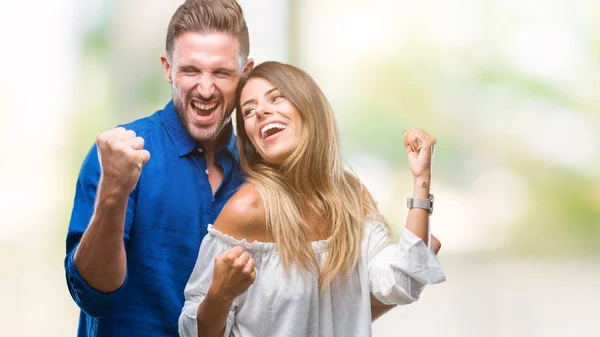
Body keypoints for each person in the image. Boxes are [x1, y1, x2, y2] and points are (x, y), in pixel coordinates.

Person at [64, 1, 440, 336]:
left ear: (245, 71)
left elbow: (302, 311)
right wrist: (115, 190)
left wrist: (384, 273)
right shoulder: (120, 155)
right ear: (168, 68)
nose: (206, 88)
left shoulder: (272, 168)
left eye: (222, 73)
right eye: (191, 70)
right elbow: (93, 295)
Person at [178, 61, 446, 337]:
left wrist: (421, 179)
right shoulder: (247, 210)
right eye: (249, 111)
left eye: (276, 97)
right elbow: (196, 333)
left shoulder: (352, 198)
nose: (260, 112)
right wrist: (219, 296)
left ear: (309, 107)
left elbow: (401, 281)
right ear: (251, 141)